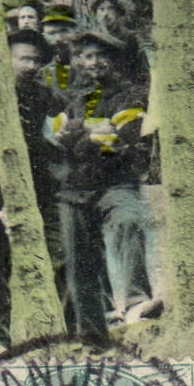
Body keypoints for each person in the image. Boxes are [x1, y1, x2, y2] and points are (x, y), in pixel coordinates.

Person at [0, 29, 65, 354]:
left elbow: (59, 145)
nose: (31, 66)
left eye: (37, 60)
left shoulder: (48, 98)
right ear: (8, 59)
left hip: (43, 193)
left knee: (57, 257)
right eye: (24, 58)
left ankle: (60, 329)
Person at [52, 30, 151, 340]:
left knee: (128, 222)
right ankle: (92, 331)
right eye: (86, 56)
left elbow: (120, 139)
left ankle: (138, 302)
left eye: (100, 56)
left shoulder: (130, 94)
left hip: (116, 181)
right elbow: (60, 141)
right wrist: (89, 132)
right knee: (77, 257)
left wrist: (78, 134)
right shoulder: (76, 100)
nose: (93, 63)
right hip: (76, 187)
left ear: (113, 59)